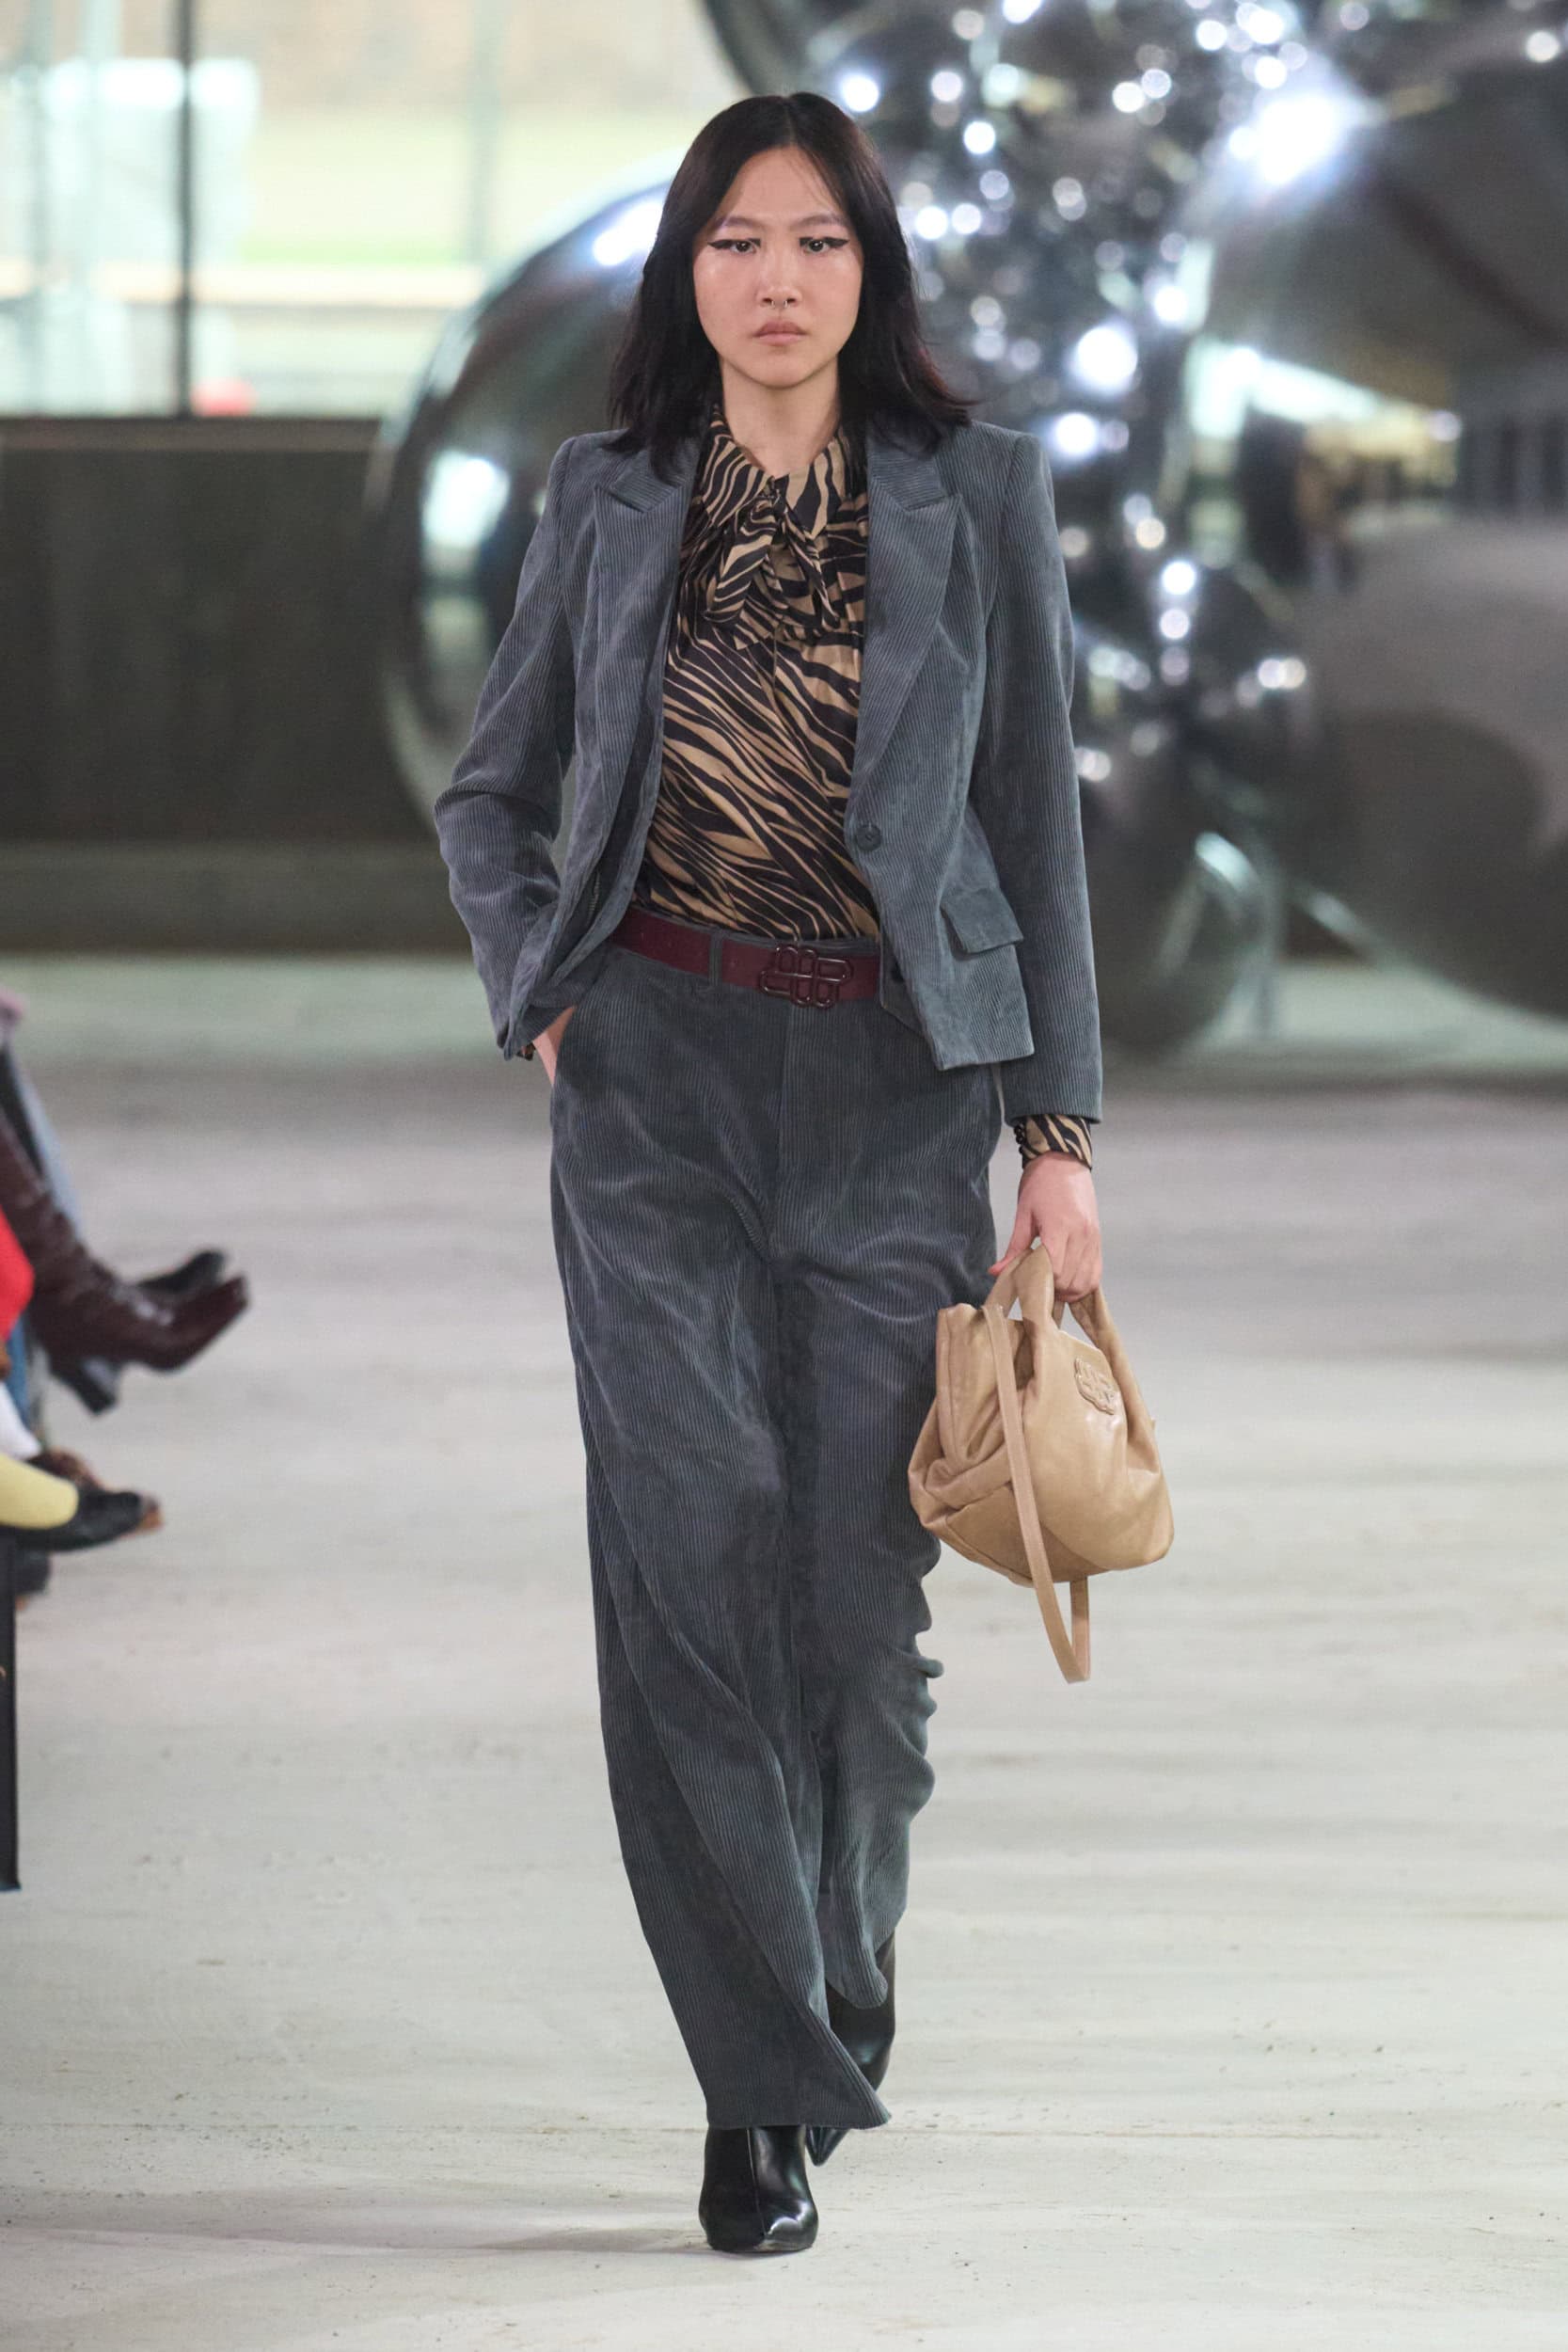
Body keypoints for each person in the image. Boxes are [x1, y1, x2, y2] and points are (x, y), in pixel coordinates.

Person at [436, 91, 1102, 2257]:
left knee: (853, 1619)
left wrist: (1058, 1139)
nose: (778, 278)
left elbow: (1035, 829)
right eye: (738, 239)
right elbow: (492, 791)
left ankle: (836, 1950)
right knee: (689, 1571)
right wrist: (545, 991)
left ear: (868, 269)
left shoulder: (976, 494)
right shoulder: (610, 493)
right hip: (656, 1089)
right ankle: (757, 2086)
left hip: (898, 1096)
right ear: (689, 270)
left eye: (817, 239)